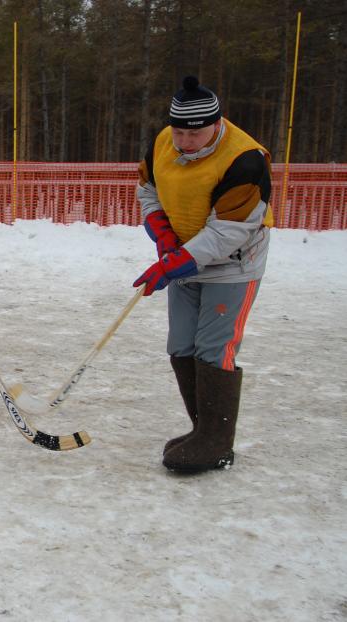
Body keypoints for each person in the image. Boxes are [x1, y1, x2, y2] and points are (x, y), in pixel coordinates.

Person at [133, 75, 273, 473]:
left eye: (194, 135)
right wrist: (161, 231)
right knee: (181, 344)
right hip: (183, 259)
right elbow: (148, 187)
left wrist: (175, 261)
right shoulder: (163, 142)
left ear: (217, 124)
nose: (184, 142)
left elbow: (232, 229)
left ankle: (216, 442)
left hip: (233, 266)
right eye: (178, 132)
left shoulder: (246, 159)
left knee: (214, 348)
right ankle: (202, 430)